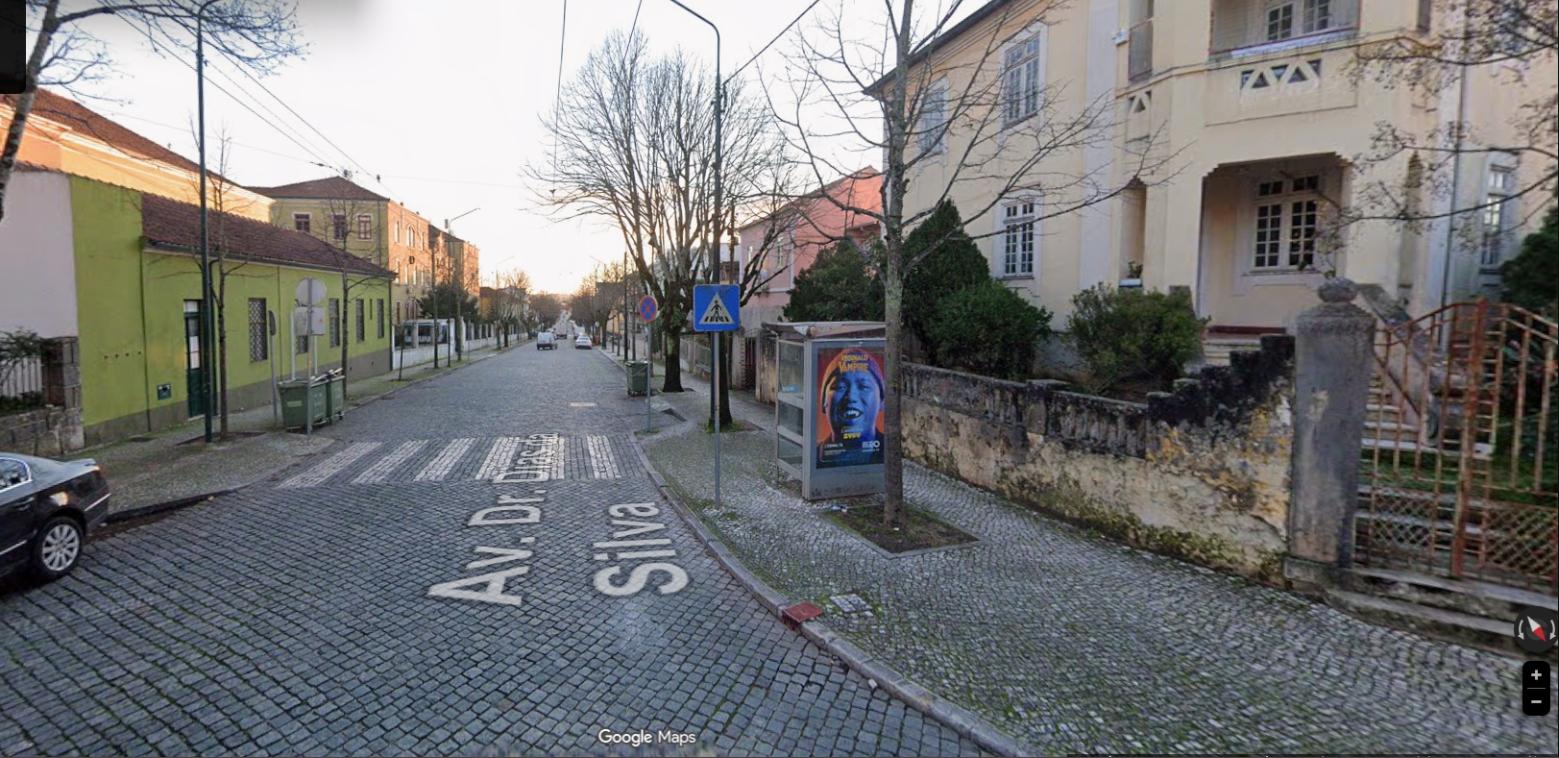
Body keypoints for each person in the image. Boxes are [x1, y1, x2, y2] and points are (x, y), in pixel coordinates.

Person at [818, 348, 884, 468]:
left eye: (863, 386)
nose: (851, 397)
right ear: (823, 401)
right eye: (840, 387)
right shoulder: (815, 458)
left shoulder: (889, 453)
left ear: (882, 400)